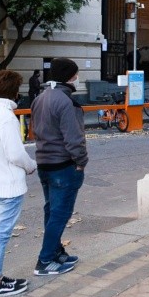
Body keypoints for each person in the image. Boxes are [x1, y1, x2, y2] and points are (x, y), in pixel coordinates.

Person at [0, 70, 37, 297]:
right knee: (0, 235)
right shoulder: (6, 117)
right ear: (15, 93)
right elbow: (15, 154)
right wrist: (30, 166)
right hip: (8, 185)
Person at [30, 58, 86, 276]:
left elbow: (35, 130)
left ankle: (55, 252)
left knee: (52, 211)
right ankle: (45, 260)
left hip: (44, 163)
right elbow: (74, 139)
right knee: (60, 214)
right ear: (70, 76)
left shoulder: (40, 98)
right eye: (76, 74)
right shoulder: (67, 102)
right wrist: (81, 162)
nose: (77, 78)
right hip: (64, 165)